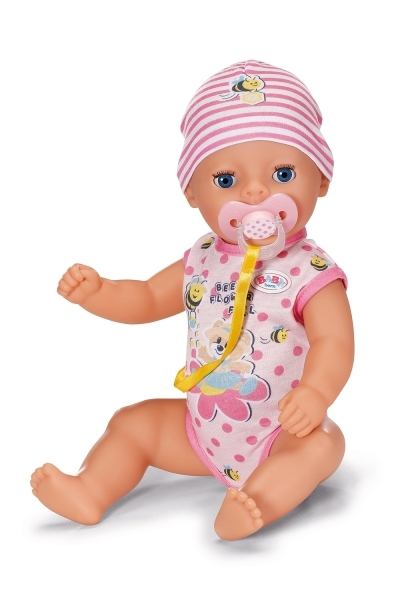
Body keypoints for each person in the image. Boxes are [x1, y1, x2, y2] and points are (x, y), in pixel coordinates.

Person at [30, 60, 354, 541]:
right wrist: (99, 294)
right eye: (226, 180)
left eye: (283, 173)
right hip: (202, 427)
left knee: (323, 446)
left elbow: (335, 342)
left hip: (282, 430)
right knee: (134, 423)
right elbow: (145, 298)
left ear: (321, 181)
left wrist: (316, 393)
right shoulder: (202, 259)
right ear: (192, 193)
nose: (255, 191)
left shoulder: (312, 270)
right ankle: (90, 489)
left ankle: (257, 501)